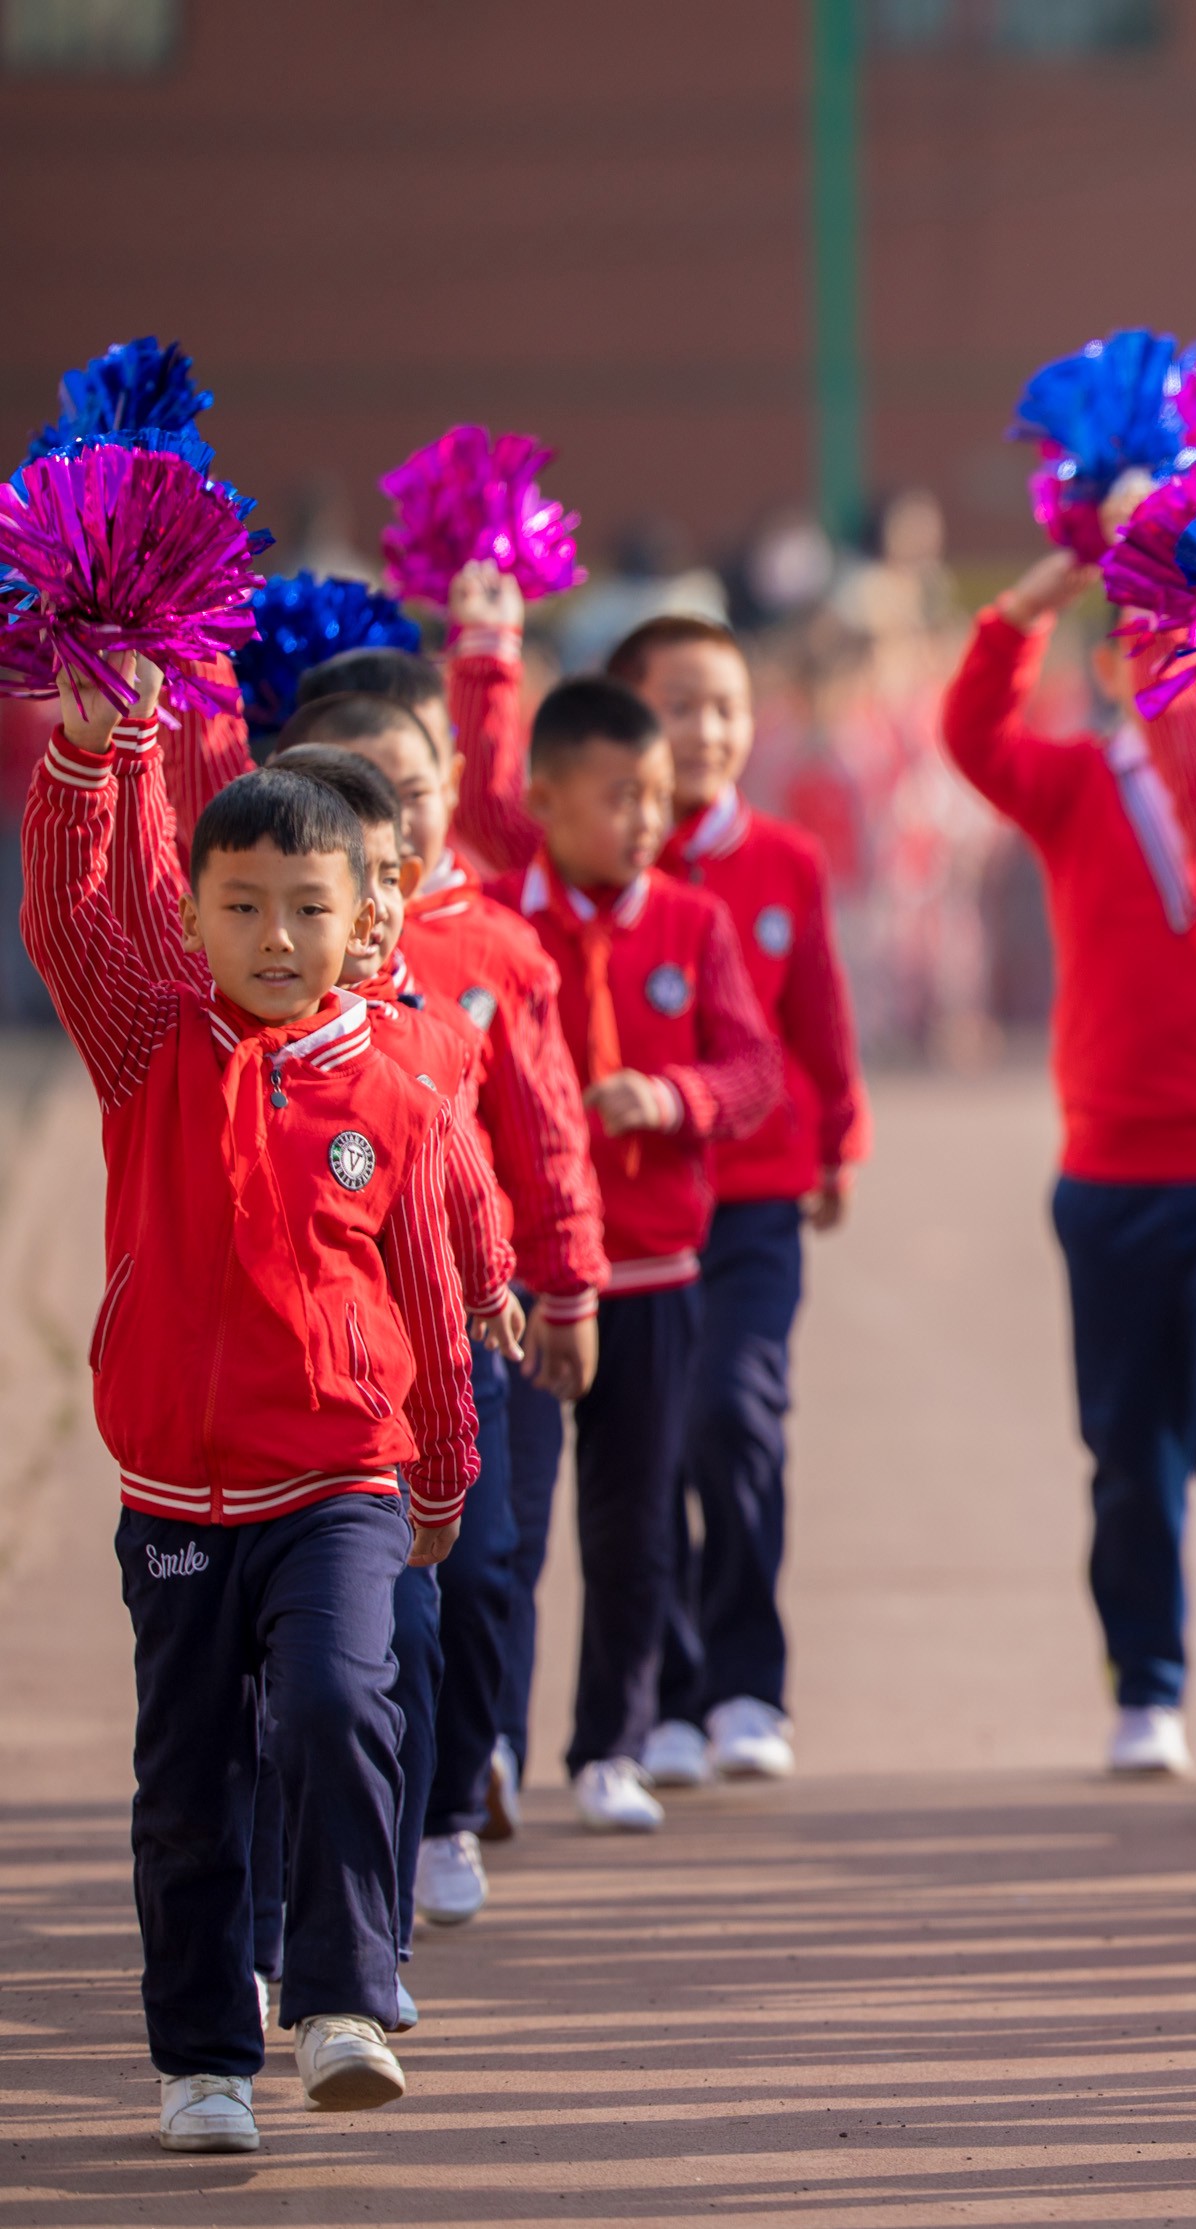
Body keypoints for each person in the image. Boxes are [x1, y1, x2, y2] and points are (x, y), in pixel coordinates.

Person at [23, 660, 477, 2154]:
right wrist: (96, 759)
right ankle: (206, 2056)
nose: (272, 938)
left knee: (345, 1702)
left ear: (361, 926)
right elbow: (73, 920)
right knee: (187, 1785)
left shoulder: (394, 1096)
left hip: (339, 1478)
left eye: (306, 909)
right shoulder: (149, 1051)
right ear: (199, 915)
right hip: (174, 1500)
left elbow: (422, 1292)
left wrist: (443, 1475)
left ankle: (345, 1994)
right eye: (239, 907)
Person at [942, 551, 1196, 1776]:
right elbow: (973, 737)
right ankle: (1144, 1682)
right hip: (1110, 1170)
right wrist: (1021, 603)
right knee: (1128, 1449)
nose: (1172, 661)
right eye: (1148, 637)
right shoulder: (1079, 784)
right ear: (1107, 662)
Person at [288, 663, 606, 1858]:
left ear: (450, 789)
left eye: (414, 787)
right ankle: (385, 1824)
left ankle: (462, 1789)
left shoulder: (493, 951)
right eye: (365, 789)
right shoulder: (279, 951)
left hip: (471, 1324)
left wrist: (562, 1282)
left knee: (480, 1575)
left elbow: (542, 1129)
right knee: (374, 1611)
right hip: (327, 1341)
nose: (397, 814)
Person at [489, 677, 783, 1834]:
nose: (646, 819)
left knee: (635, 1525)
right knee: (504, 1527)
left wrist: (667, 1098)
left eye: (657, 797)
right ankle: (489, 1754)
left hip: (655, 1271)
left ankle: (610, 1742)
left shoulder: (692, 924)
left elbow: (752, 1071)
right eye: (619, 798)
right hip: (522, 1275)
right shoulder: (506, 931)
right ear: (543, 800)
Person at [608, 613, 872, 1789]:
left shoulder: (784, 861)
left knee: (735, 1417)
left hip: (760, 1195)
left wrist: (839, 1142)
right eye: (679, 706)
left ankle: (748, 1684)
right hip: (636, 1210)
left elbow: (817, 1013)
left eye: (724, 707)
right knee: (651, 1444)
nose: (706, 731)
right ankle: (666, 1697)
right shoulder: (605, 873)